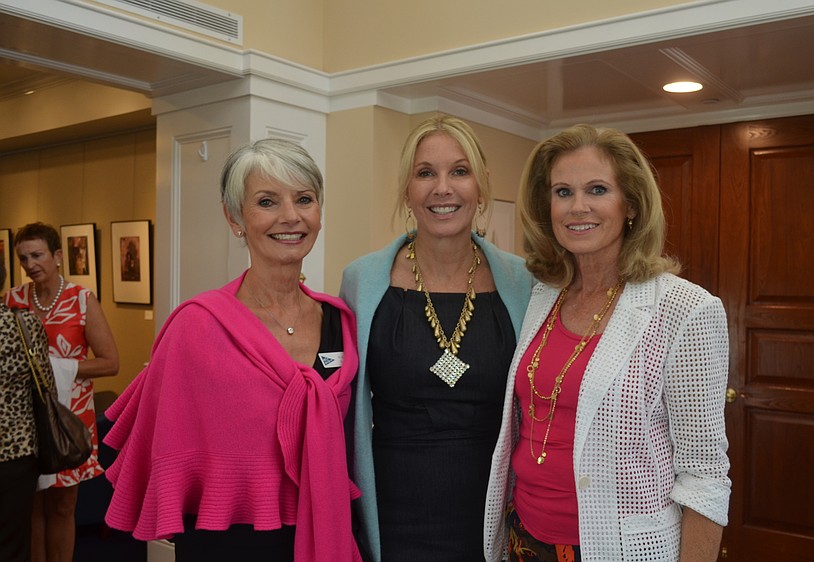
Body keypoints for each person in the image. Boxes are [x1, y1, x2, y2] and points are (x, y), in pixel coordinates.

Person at [103, 138, 362, 562]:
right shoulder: (197, 325)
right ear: (235, 217)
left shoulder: (342, 320)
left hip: (325, 528)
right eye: (267, 201)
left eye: (304, 199)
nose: (291, 217)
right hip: (229, 543)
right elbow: (159, 443)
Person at [484, 124, 731, 562]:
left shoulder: (684, 309)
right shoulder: (542, 295)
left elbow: (705, 475)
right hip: (525, 538)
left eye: (597, 189)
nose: (578, 207)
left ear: (630, 204)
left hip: (621, 547)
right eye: (563, 192)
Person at [340, 115, 534, 562]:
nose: (442, 188)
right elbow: (342, 403)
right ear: (407, 190)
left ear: (481, 186)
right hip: (392, 514)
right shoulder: (362, 281)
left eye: (459, 171)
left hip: (495, 511)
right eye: (425, 172)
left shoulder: (525, 282)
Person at [5, 221, 120, 562]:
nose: (30, 265)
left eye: (37, 255)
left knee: (63, 506)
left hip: (70, 418)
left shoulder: (81, 299)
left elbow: (110, 362)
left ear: (57, 256)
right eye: (24, 258)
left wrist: (57, 366)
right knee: (31, 506)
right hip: (25, 420)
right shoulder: (13, 299)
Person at [0, 259, 59, 562]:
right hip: (16, 455)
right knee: (13, 542)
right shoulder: (23, 324)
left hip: (16, 453)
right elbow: (46, 386)